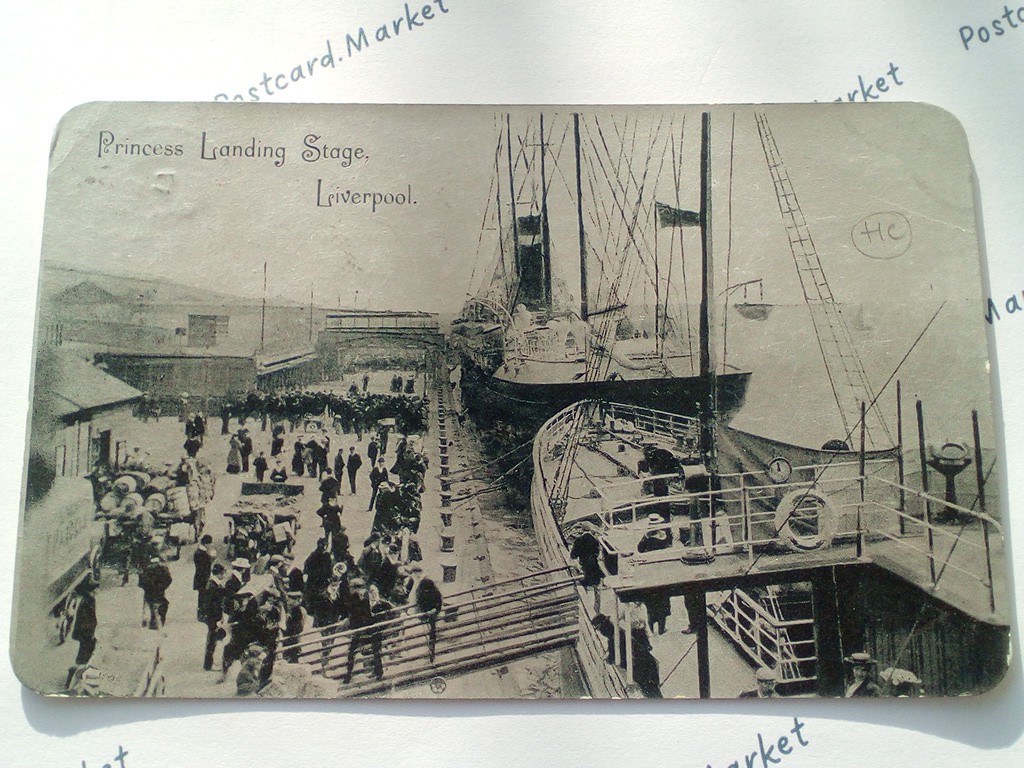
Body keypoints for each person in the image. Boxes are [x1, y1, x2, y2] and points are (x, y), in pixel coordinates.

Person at [202, 563, 228, 671]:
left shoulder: (213, 584)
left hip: (213, 616)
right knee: (212, 640)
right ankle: (208, 664)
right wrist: (217, 619)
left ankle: (209, 663)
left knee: (212, 639)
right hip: (213, 617)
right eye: (223, 573)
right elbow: (212, 605)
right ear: (219, 573)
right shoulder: (213, 586)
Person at [414, 574, 443, 662]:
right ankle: (428, 652)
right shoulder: (420, 592)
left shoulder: (434, 592)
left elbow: (439, 603)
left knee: (432, 632)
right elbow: (418, 604)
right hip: (424, 614)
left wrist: (434, 610)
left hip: (432, 614)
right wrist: (423, 613)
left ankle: (431, 652)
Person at [139, 555, 173, 630]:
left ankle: (157, 620)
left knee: (158, 605)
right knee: (154, 606)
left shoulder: (161, 570)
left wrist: (161, 587)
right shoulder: (149, 571)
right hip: (152, 592)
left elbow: (168, 580)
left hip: (156, 592)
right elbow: (141, 582)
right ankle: (155, 621)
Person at [70, 578, 98, 666]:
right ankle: (82, 661)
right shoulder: (88, 601)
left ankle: (82, 661)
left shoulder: (87, 600)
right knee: (86, 643)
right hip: (86, 629)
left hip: (86, 628)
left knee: (86, 643)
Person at [193, 534, 216, 622]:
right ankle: (201, 615)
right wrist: (211, 559)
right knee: (202, 597)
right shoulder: (201, 553)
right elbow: (203, 567)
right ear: (206, 543)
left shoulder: (201, 552)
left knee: (203, 596)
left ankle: (202, 614)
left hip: (201, 577)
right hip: (202, 578)